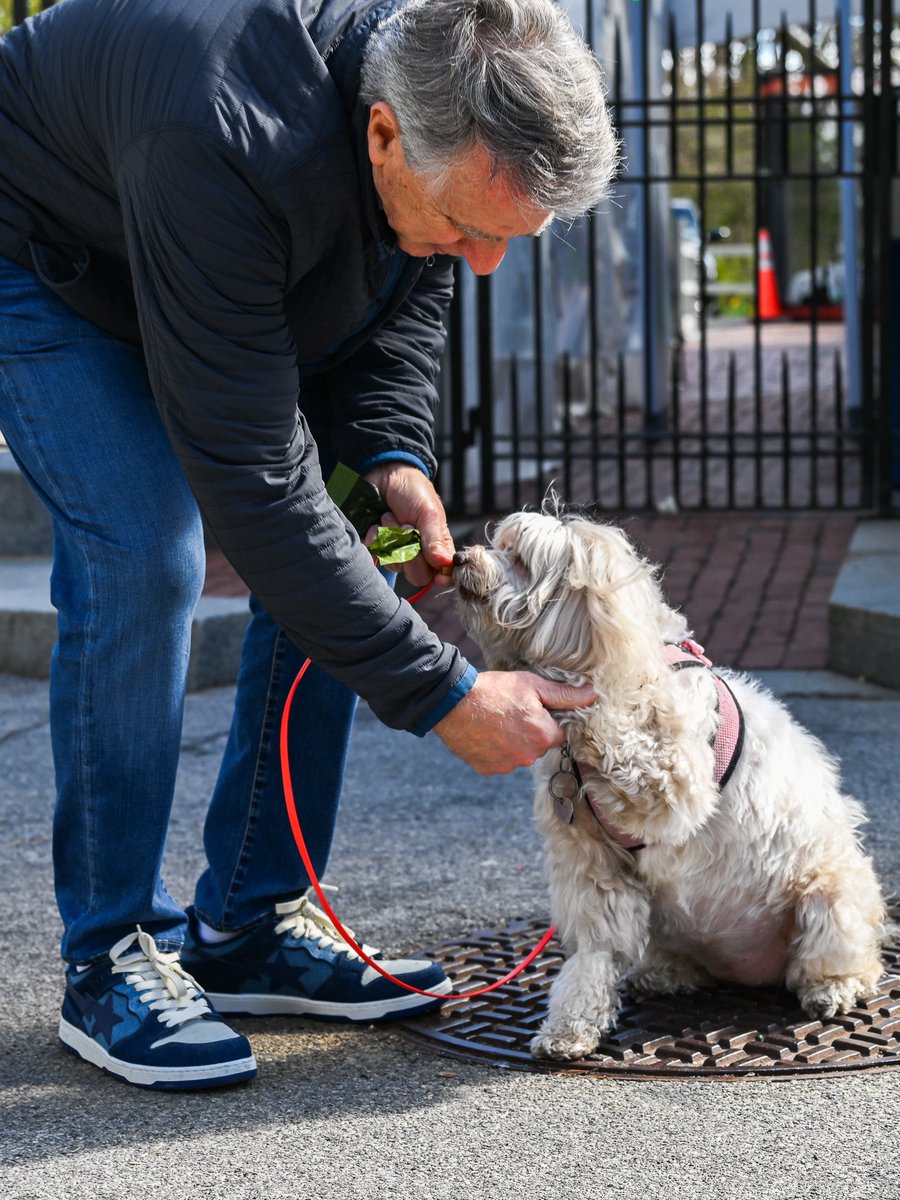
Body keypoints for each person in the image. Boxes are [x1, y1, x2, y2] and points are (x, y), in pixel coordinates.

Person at [0, 0, 617, 1090]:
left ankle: (250, 924)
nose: (482, 267)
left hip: (200, 226)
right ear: (382, 135)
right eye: (472, 228)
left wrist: (391, 458)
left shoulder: (434, 114)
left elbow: (396, 309)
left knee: (361, 533)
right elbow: (253, 477)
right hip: (40, 245)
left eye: (506, 243)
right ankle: (111, 959)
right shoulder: (222, 129)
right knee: (147, 551)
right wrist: (443, 696)